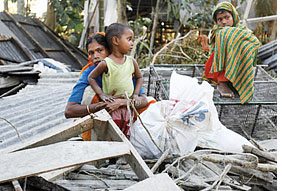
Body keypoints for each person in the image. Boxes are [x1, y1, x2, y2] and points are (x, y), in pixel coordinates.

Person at [65, 32, 151, 140]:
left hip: (126, 119)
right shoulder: (88, 73)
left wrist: (120, 103)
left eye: (100, 50)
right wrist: (100, 106)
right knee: (89, 92)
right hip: (99, 124)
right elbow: (69, 110)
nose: (95, 56)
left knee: (152, 103)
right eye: (91, 53)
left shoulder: (125, 67)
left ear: (110, 50)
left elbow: (143, 100)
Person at [202, 2, 261, 104]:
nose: (224, 22)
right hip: (217, 68)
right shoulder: (218, 31)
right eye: (220, 19)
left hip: (237, 65)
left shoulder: (242, 30)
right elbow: (226, 37)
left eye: (227, 17)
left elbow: (255, 42)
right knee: (225, 34)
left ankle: (239, 80)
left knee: (246, 46)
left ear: (234, 16)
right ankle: (222, 82)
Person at [88, 23, 143, 104]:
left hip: (127, 105)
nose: (132, 43)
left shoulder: (132, 61)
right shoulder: (106, 63)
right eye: (129, 39)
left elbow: (139, 78)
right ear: (116, 40)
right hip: (111, 105)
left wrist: (135, 95)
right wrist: (102, 95)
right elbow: (91, 78)